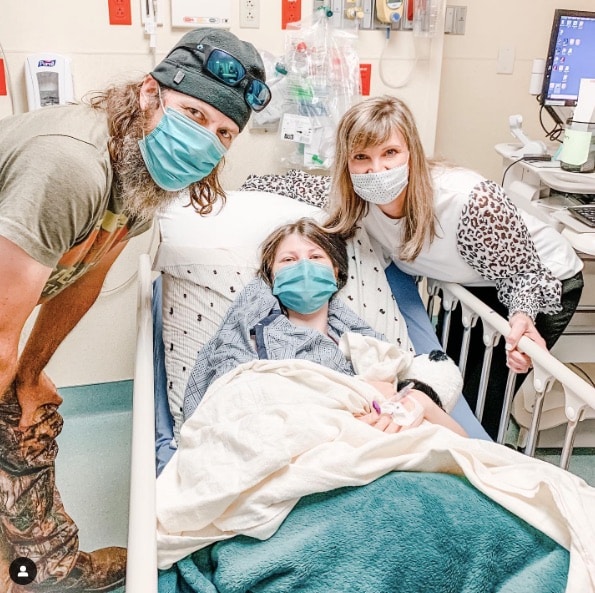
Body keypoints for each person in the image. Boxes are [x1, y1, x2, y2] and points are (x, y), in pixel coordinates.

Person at [0, 27, 269, 592]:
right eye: (193, 116)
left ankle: (44, 569)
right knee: (14, 421)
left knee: (31, 410)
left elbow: (83, 281)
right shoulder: (71, 165)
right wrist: (12, 380)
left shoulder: (139, 184)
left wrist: (29, 374)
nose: (207, 141)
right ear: (149, 95)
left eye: (222, 133)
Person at [323, 94, 584, 439]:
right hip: (471, 282)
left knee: (483, 397)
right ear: (347, 164)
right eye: (361, 157)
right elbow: (301, 187)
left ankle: (482, 464)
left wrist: (522, 318)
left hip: (541, 277)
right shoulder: (357, 202)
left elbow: (526, 274)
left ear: (412, 153)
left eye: (390, 153)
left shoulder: (466, 200)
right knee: (449, 381)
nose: (377, 169)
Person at [183, 218, 466, 438]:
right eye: (288, 260)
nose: (303, 267)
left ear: (336, 272)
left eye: (316, 257)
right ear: (271, 277)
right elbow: (232, 402)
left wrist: (422, 403)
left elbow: (463, 443)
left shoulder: (368, 353)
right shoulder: (252, 337)